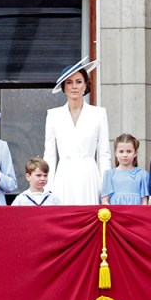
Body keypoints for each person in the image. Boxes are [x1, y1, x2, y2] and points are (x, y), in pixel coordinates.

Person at [44, 56, 111, 205]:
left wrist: (105, 188)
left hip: (89, 174)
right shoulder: (53, 115)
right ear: (64, 87)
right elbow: (50, 154)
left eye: (79, 82)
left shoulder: (99, 113)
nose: (74, 86)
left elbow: (104, 154)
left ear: (86, 85)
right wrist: (48, 187)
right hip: (64, 174)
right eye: (69, 82)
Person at [100, 134, 149, 205]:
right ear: (115, 153)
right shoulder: (109, 174)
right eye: (121, 151)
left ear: (135, 153)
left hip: (135, 214)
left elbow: (144, 202)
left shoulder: (142, 175)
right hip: (115, 214)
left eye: (129, 151)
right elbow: (105, 200)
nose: (125, 155)